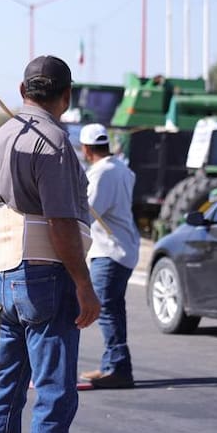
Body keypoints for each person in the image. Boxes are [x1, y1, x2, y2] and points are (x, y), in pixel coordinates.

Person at [0, 55, 100, 433]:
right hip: (45, 275)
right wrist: (83, 284)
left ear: (23, 89)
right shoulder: (55, 144)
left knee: (5, 392)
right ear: (65, 97)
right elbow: (63, 224)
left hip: (2, 276)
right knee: (53, 394)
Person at [78, 123, 140, 389]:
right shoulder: (122, 169)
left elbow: (87, 210)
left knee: (105, 309)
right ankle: (111, 364)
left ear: (86, 148)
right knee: (112, 308)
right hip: (123, 247)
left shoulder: (102, 174)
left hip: (111, 251)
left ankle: (118, 368)